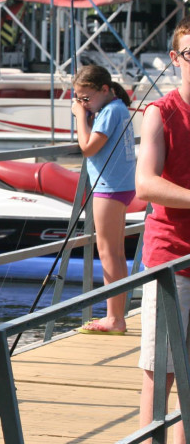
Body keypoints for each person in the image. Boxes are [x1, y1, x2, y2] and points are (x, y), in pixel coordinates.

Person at [136, 15, 190, 443]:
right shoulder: (161, 112)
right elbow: (145, 184)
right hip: (173, 262)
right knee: (162, 375)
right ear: (176, 59)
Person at [70, 65, 136, 335]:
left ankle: (114, 319)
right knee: (116, 254)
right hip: (121, 185)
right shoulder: (117, 107)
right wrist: (86, 110)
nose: (83, 103)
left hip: (109, 187)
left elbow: (87, 148)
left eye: (86, 98)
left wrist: (78, 117)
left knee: (109, 254)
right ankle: (116, 315)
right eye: (78, 99)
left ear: (105, 90)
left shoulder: (109, 112)